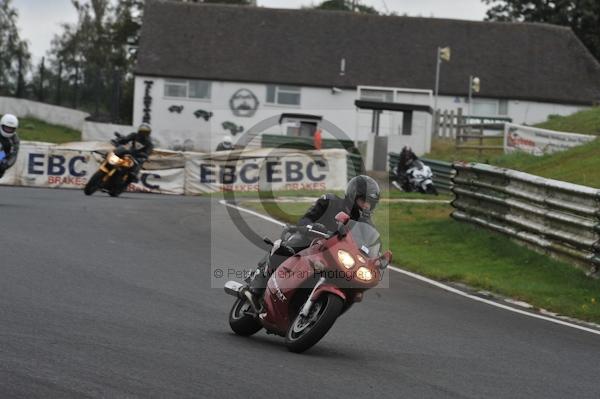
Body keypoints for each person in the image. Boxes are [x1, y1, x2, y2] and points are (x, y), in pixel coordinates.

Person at [248, 175, 381, 296]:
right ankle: (260, 278)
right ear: (353, 195)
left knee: (355, 290)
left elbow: (370, 245)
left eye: (370, 203)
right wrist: (311, 227)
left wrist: (376, 259)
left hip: (336, 255)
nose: (366, 206)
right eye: (363, 201)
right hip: (312, 239)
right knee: (291, 246)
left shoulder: (367, 226)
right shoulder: (330, 201)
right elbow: (306, 219)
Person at [0, 114, 20, 179]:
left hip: (2, 157)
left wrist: (6, 164)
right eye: (6, 128)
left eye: (11, 129)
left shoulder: (15, 139)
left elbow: (14, 155)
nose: (8, 130)